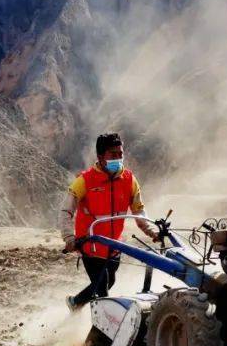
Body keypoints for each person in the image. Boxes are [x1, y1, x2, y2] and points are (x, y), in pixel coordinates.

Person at [59, 132, 159, 310]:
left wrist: (151, 231)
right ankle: (97, 336)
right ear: (100, 157)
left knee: (108, 282)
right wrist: (69, 238)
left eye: (120, 154)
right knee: (103, 292)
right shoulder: (84, 180)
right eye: (113, 155)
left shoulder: (129, 180)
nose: (119, 158)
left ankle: (75, 303)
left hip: (114, 247)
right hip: (91, 245)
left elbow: (139, 210)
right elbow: (66, 210)